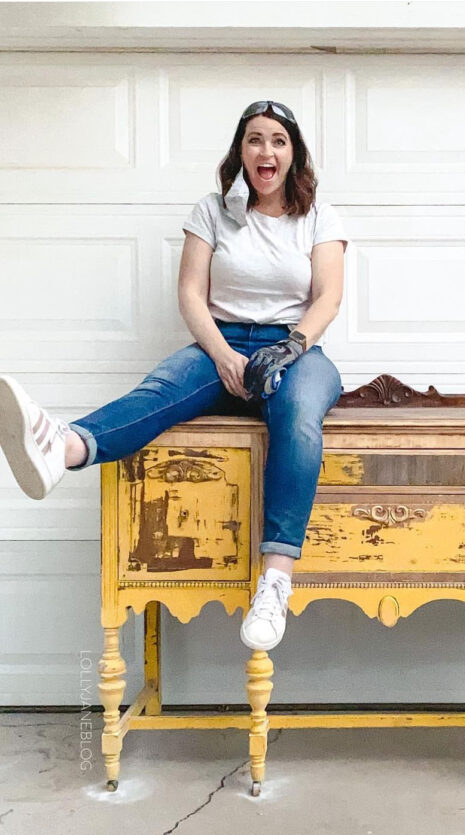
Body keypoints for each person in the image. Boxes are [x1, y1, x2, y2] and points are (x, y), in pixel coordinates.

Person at [0, 99, 347, 653]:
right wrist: (224, 356)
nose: (266, 150)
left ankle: (275, 582)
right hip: (222, 340)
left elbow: (328, 297)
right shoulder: (212, 210)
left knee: (301, 418)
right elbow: (191, 293)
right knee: (160, 390)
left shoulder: (319, 217)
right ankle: (63, 447)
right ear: (240, 150)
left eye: (278, 141)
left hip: (296, 348)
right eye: (255, 139)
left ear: (293, 154)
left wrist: (290, 348)